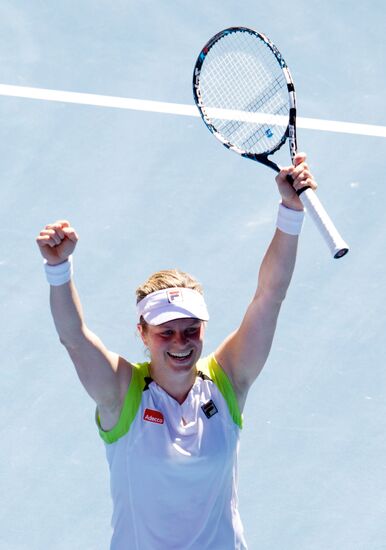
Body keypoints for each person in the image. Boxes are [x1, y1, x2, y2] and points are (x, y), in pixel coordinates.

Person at [36, 152, 317, 550]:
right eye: (165, 332)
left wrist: (290, 211)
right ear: (143, 334)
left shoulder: (228, 381)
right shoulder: (122, 394)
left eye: (190, 329)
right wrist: (58, 270)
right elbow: (74, 338)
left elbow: (269, 297)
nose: (181, 342)